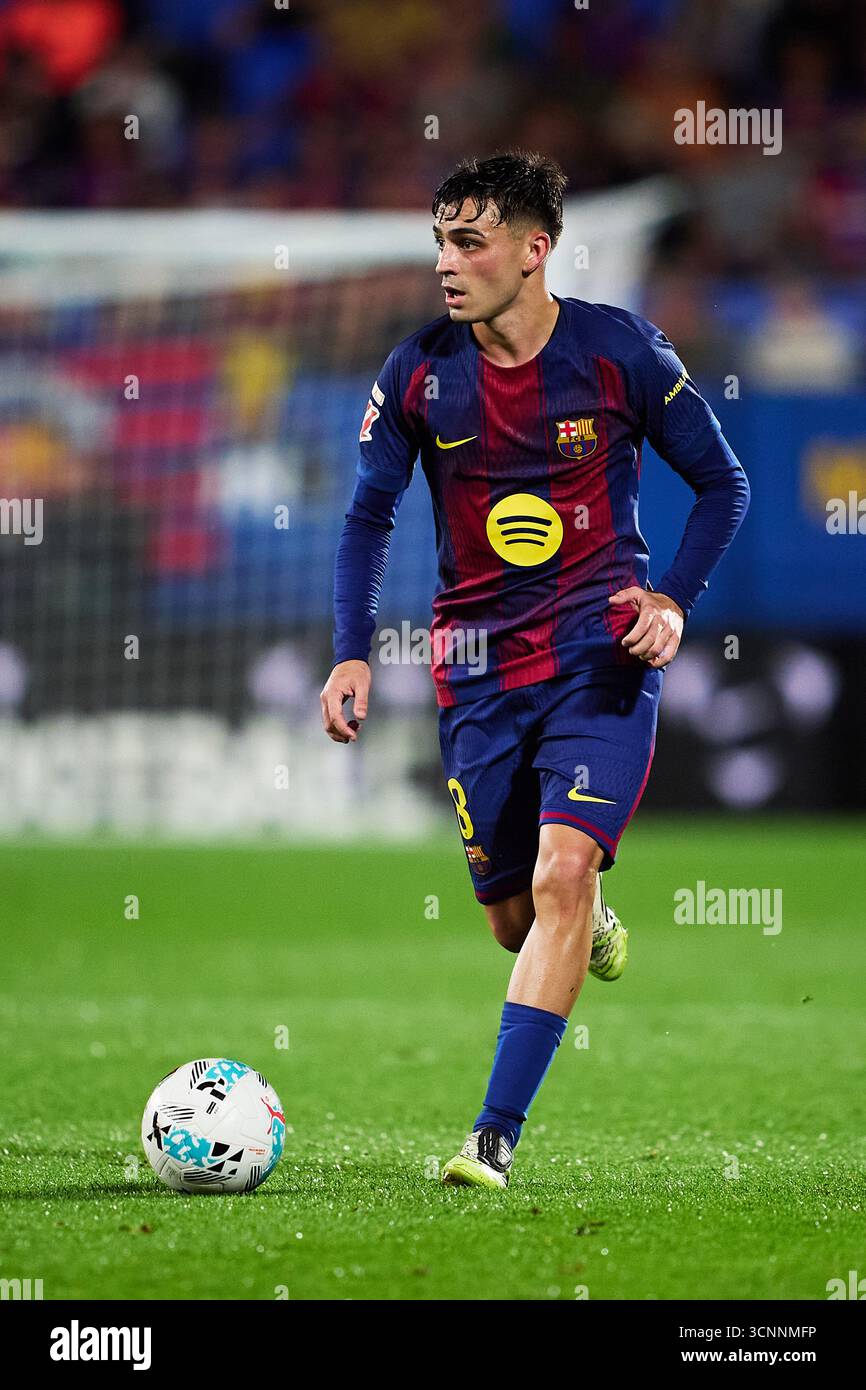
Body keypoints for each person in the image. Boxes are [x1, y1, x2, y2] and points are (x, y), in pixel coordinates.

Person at [321, 151, 750, 1190]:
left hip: (597, 657)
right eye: (439, 241)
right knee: (513, 913)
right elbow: (368, 513)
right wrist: (348, 649)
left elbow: (720, 485)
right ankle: (588, 917)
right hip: (472, 670)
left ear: (532, 248)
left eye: (467, 242)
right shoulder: (419, 371)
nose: (446, 262)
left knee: (560, 874)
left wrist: (669, 603)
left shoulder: (618, 354)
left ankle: (491, 1137)